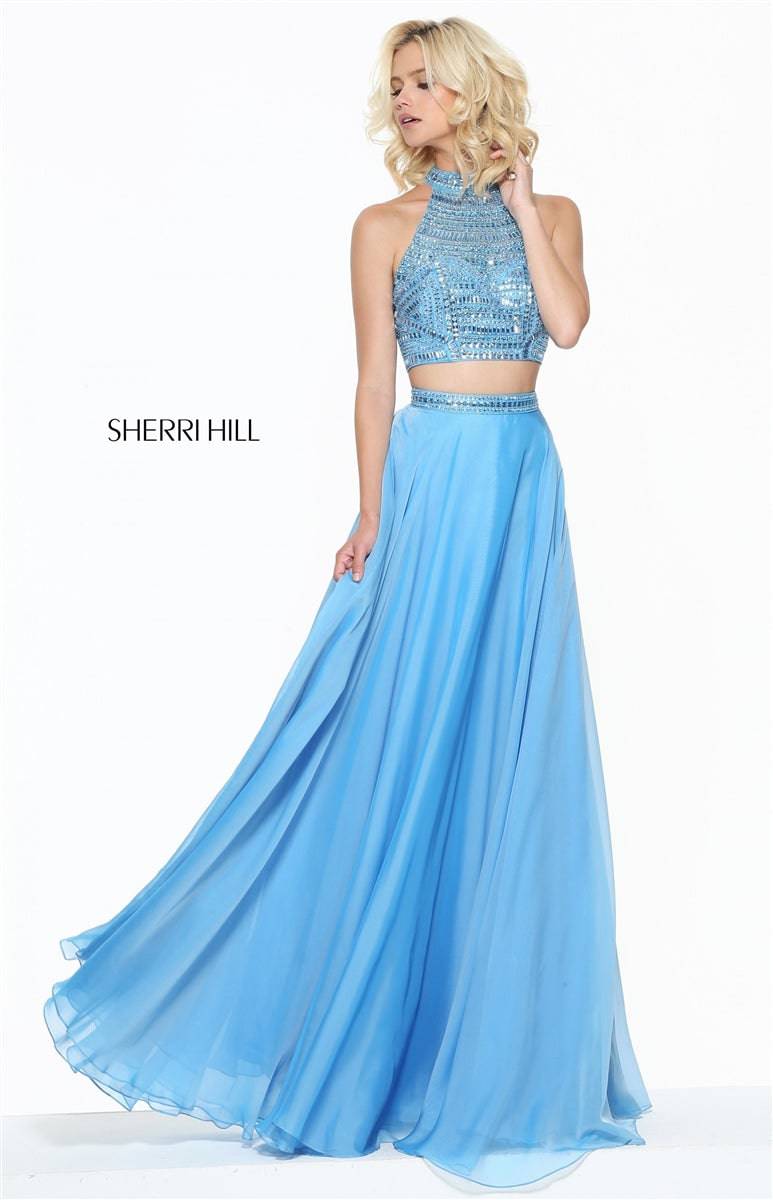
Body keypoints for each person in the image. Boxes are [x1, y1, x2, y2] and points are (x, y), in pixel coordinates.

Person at [43, 16, 653, 1191]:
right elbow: (373, 380)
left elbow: (568, 326)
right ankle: (329, 1026)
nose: (406, 99)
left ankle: (485, 1055)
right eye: (398, 84)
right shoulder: (380, 226)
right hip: (432, 476)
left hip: (520, 475)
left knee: (507, 747)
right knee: (399, 737)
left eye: (425, 81)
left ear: (471, 92)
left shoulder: (555, 213)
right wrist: (371, 512)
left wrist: (524, 205)